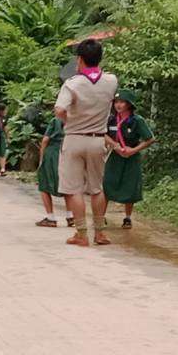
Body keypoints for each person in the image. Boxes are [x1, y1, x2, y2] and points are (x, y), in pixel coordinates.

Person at [54, 38, 120, 247]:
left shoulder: (72, 84)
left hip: (74, 139)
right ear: (100, 58)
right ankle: (100, 233)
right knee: (97, 188)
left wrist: (71, 121)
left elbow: (60, 111)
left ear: (79, 59)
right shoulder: (111, 81)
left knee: (74, 189)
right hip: (98, 140)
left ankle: (81, 233)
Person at [103, 88, 156, 227]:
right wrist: (114, 145)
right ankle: (100, 216)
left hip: (131, 157)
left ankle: (127, 218)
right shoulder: (111, 119)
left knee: (130, 186)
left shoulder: (137, 120)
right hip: (115, 156)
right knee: (106, 184)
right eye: (116, 102)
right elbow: (103, 133)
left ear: (129, 104)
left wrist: (133, 150)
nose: (118, 105)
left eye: (122, 102)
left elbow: (150, 139)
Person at [35, 113, 69, 227]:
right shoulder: (75, 119)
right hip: (67, 152)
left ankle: (51, 217)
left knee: (44, 185)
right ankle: (71, 216)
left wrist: (41, 159)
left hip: (52, 153)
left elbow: (45, 140)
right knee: (67, 185)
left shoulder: (55, 120)